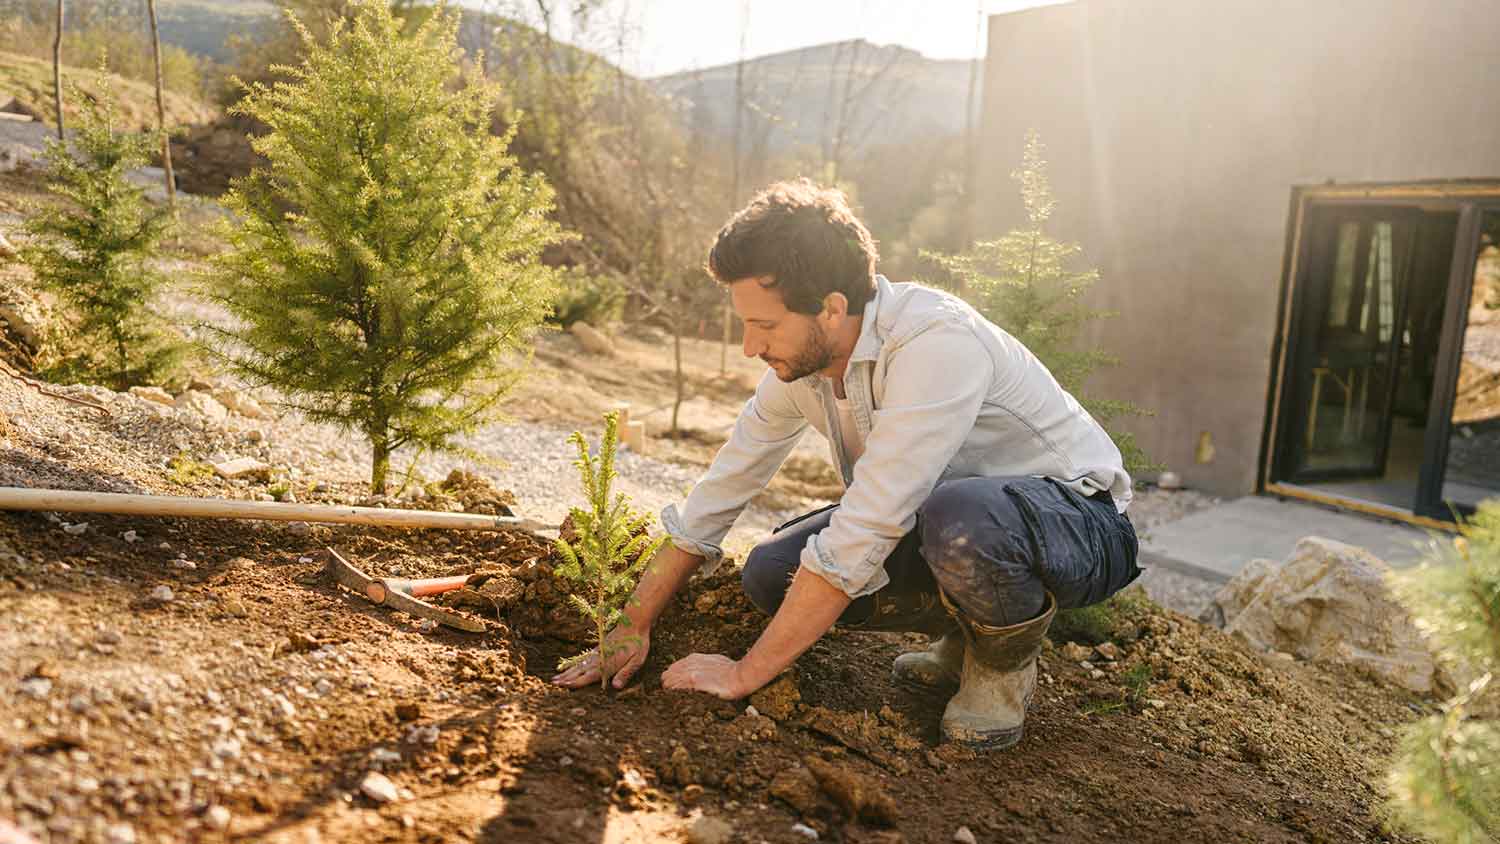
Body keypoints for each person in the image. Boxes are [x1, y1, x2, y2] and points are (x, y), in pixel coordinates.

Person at [553, 179, 1140, 750]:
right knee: (770, 572)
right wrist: (632, 622)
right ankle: (962, 633)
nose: (749, 348)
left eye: (764, 325)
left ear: (831, 308)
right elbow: (719, 494)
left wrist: (743, 674)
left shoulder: (935, 343)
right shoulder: (802, 368)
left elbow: (868, 526)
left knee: (960, 517)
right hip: (948, 521)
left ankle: (1000, 665)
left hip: (1079, 522)